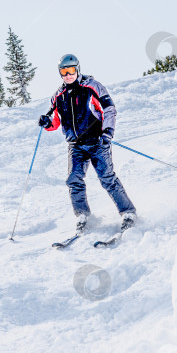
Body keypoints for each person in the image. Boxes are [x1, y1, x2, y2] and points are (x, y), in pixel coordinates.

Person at [38, 54, 137, 232]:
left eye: (71, 70)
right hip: (75, 145)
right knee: (73, 179)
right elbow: (56, 122)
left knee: (107, 178)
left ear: (78, 69)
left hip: (97, 142)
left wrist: (108, 132)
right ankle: (83, 216)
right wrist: (47, 123)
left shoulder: (92, 87)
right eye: (63, 71)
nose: (68, 75)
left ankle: (128, 212)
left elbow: (109, 109)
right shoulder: (58, 96)